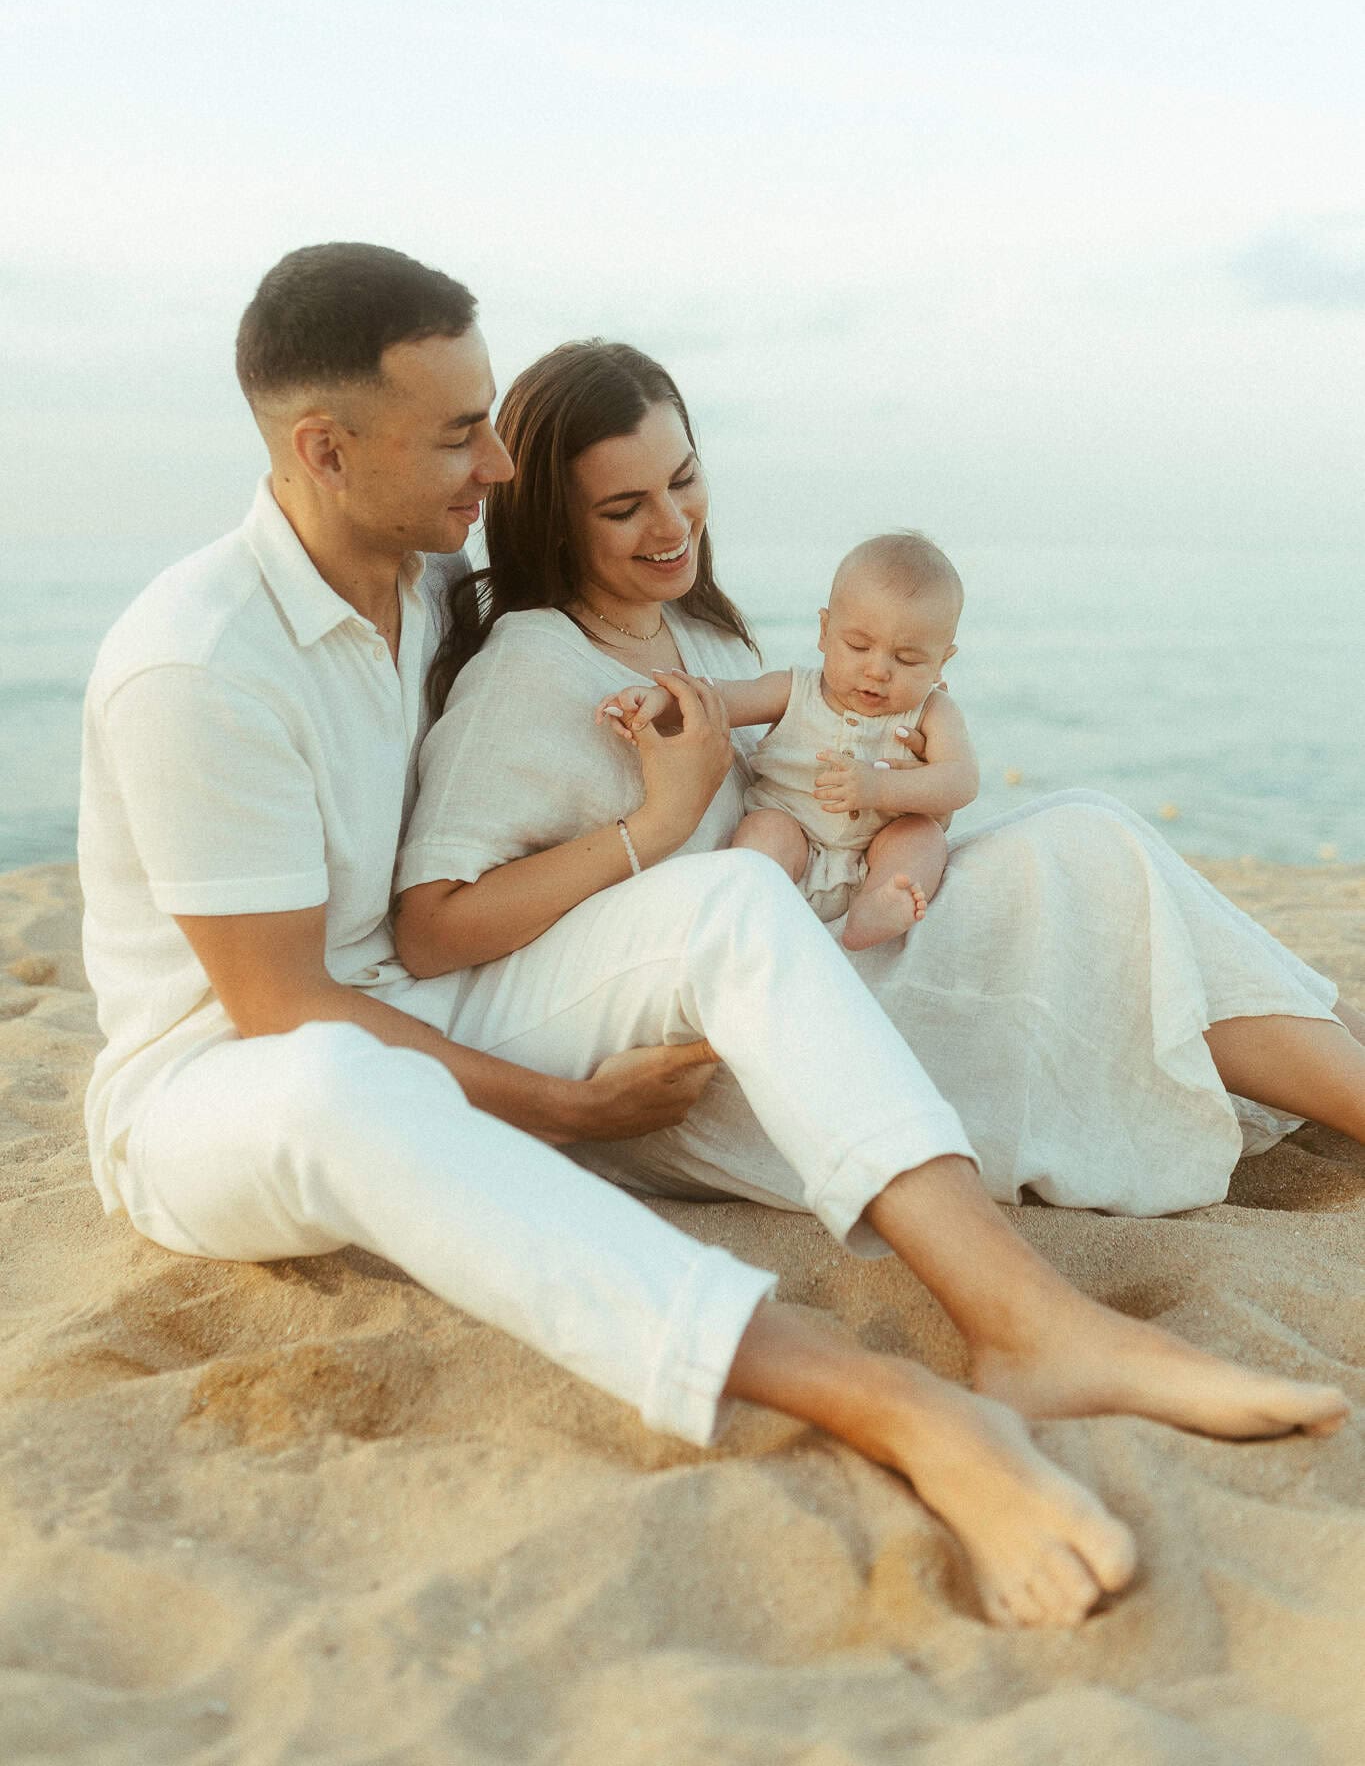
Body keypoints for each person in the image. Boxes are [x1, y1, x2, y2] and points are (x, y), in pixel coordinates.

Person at [75, 248, 1347, 1637]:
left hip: (448, 999)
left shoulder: (427, 587)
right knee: (343, 1088)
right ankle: (896, 1406)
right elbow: (283, 1003)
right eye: (458, 433)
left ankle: (1022, 1320)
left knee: (803, 888)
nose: (496, 464)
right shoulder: (200, 664)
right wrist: (561, 1102)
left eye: (494, 420)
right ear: (325, 448)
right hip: (229, 1075)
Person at [395, 335, 1365, 1229]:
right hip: (726, 1050)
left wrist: (891, 788)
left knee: (1086, 836)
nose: (672, 522)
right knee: (1089, 867)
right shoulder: (531, 669)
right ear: (554, 519)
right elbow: (432, 930)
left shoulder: (697, 630)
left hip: (825, 935)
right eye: (623, 507)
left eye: (683, 479)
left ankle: (1341, 1064)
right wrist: (656, 822)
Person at [596, 530, 976, 948]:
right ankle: (756, 905)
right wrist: (661, 700)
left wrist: (880, 787)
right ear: (825, 631)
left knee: (922, 837)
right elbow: (721, 699)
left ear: (942, 661)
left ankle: (877, 906)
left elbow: (961, 780)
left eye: (906, 659)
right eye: (858, 646)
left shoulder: (933, 711)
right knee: (766, 829)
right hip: (795, 837)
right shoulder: (795, 690)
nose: (878, 671)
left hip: (876, 856)